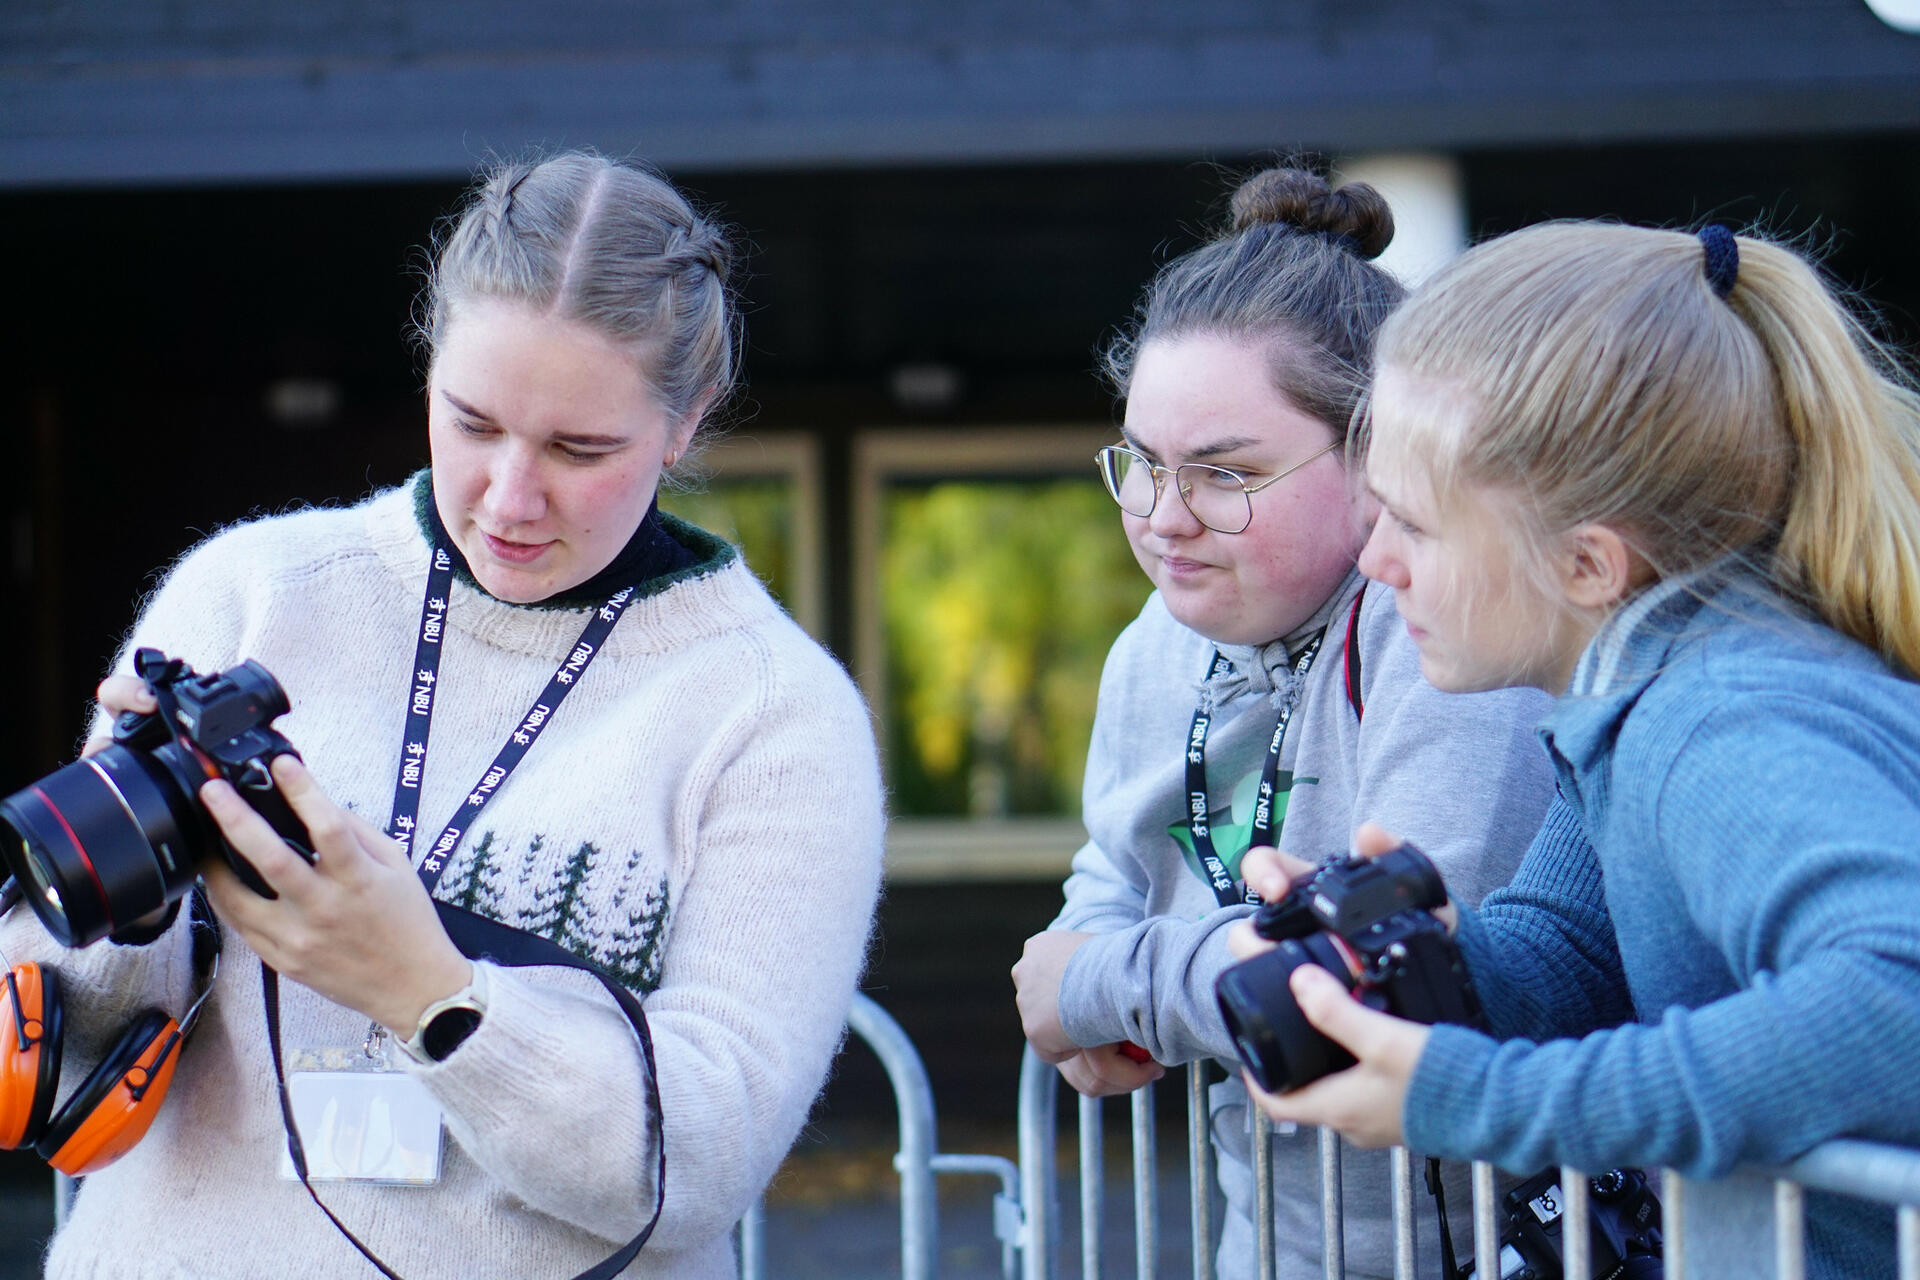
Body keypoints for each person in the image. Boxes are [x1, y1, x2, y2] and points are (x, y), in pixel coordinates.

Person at [1, 151, 884, 1279]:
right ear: (429, 364)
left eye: (581, 449)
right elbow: (74, 1041)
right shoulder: (254, 592)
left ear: (687, 418)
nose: (511, 498)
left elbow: (700, 1159)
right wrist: (130, 903)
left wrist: (427, 990)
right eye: (472, 421)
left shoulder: (773, 714)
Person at [1231, 221, 1920, 1279]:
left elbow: (1900, 987)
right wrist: (1416, 954)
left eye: (1415, 526)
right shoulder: (1643, 693)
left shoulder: (1716, 721)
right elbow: (1570, 958)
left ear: (1589, 563)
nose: (1375, 561)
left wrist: (1484, 1098)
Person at [1009, 167, 1560, 1280]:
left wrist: (1097, 987)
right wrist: (1103, 987)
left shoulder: (1450, 636)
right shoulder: (1150, 647)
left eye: (1225, 472)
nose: (1165, 518)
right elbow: (1112, 873)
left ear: (1375, 453)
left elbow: (1382, 969)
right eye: (1142, 465)